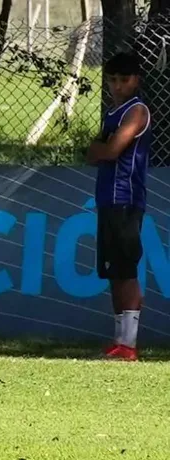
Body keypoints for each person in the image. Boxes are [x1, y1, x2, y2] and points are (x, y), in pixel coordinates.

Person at [87, 51, 151, 362]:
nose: (117, 86)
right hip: (108, 199)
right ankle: (118, 341)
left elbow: (109, 151)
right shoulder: (113, 113)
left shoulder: (136, 111)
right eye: (112, 80)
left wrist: (101, 149)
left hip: (126, 198)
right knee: (113, 272)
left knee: (126, 271)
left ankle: (129, 344)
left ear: (135, 80)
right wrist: (99, 149)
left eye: (123, 80)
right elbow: (92, 153)